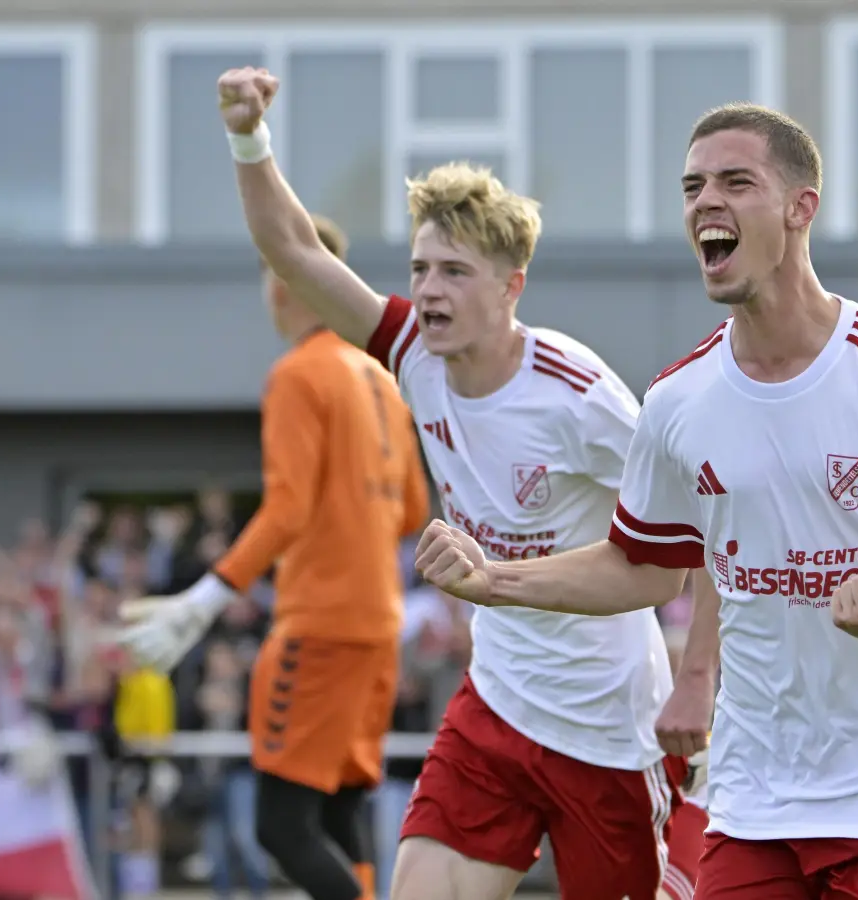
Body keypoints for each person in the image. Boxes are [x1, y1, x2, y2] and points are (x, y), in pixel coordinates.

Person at [414, 102, 858, 899]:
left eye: (737, 182)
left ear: (800, 208)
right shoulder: (678, 399)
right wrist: (491, 580)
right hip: (755, 793)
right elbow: (641, 568)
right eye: (692, 187)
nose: (706, 202)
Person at [206, 66, 708, 900]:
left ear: (512, 287)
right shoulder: (411, 356)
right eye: (421, 268)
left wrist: (697, 676)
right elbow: (293, 250)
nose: (428, 290)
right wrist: (247, 136)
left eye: (454, 272)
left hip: (607, 729)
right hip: (497, 710)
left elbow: (679, 551)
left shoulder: (579, 396)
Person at [114, 212, 431, 900]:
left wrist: (201, 601)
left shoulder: (299, 376)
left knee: (283, 828)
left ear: (284, 279)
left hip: (318, 627)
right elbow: (410, 511)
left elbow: (286, 508)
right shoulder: (381, 381)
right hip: (377, 627)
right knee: (340, 813)